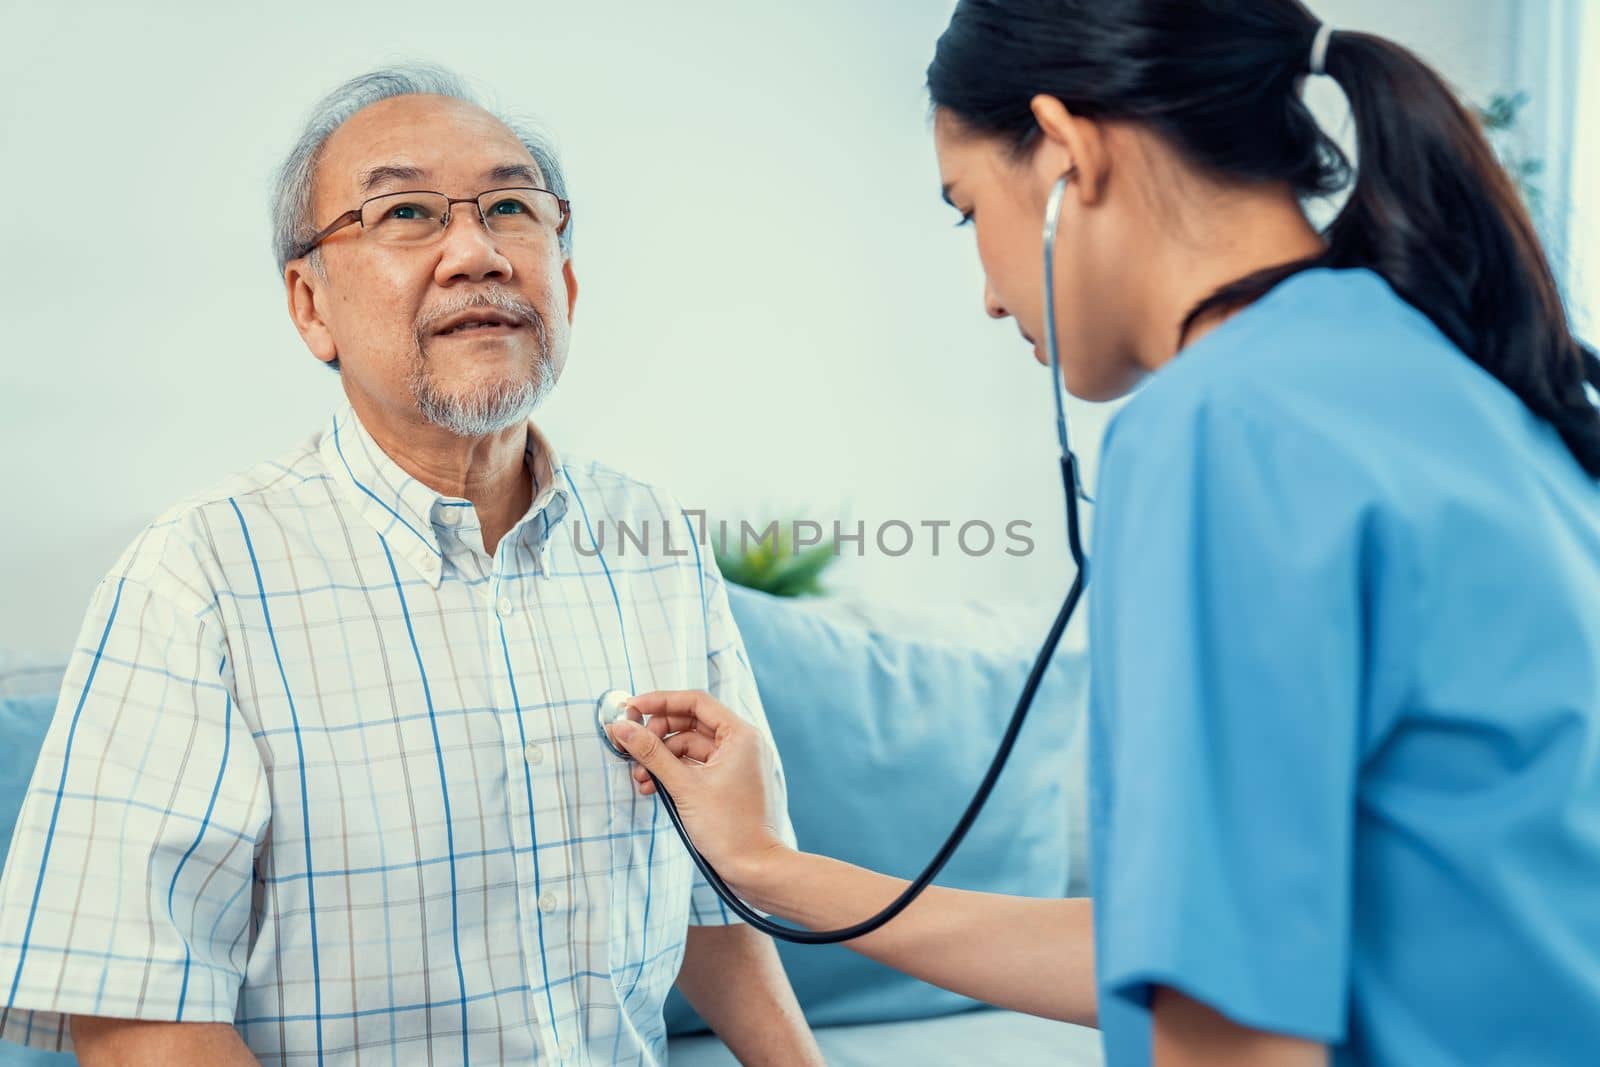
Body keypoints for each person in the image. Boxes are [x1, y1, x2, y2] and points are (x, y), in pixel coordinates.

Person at [602, 2, 1600, 1065]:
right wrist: (770, 868)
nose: (989, 295)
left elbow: (1227, 1035)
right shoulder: (1434, 375)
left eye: (965, 206)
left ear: (1067, 154)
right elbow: (1185, 949)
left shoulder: (1224, 423)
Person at [0, 65, 821, 1067]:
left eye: (512, 207)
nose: (475, 253)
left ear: (563, 281)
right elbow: (132, 1011)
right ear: (311, 305)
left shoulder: (652, 536)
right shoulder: (198, 573)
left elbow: (716, 892)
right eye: (405, 213)